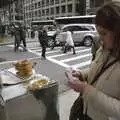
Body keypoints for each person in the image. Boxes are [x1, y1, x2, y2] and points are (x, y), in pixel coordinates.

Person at [65, 1, 120, 120]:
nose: (100, 38)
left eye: (104, 33)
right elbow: (97, 70)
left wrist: (85, 89)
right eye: (98, 32)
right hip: (86, 113)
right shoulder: (104, 48)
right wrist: (81, 74)